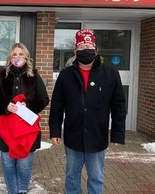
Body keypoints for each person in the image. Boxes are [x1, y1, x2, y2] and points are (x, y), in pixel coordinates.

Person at [49, 29, 126, 194]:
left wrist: (118, 134)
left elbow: (119, 106)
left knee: (96, 177)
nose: (86, 49)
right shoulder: (65, 75)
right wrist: (55, 130)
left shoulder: (111, 74)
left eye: (89, 45)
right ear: (75, 51)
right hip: (73, 137)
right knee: (71, 177)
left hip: (97, 138)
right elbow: (57, 104)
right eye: (82, 46)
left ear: (96, 50)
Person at [0, 42, 49, 194]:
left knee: (24, 164)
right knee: (8, 164)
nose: (18, 57)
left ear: (27, 57)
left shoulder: (34, 75)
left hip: (27, 130)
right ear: (10, 57)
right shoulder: (2, 76)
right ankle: (12, 191)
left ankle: (22, 190)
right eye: (14, 54)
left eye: (21, 54)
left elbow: (44, 99)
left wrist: (28, 104)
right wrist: (6, 106)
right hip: (7, 130)